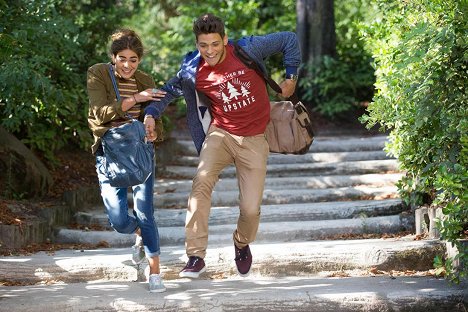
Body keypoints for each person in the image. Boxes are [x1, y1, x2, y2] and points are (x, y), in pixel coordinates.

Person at [144, 13, 301, 278]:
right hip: (221, 134)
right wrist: (150, 112)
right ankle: (195, 256)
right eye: (203, 45)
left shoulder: (247, 49)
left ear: (224, 40)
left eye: (215, 44)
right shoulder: (193, 69)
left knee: (251, 210)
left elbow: (289, 39)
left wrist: (291, 78)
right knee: (201, 182)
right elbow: (168, 91)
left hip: (254, 138)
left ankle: (241, 243)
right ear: (197, 44)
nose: (209, 51)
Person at [87, 28, 167, 292]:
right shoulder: (98, 74)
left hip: (141, 150)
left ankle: (155, 272)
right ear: (113, 57)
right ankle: (140, 235)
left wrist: (153, 129)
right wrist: (135, 99)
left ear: (139, 60)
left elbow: (156, 119)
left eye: (133, 60)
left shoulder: (145, 79)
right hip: (110, 152)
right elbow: (99, 114)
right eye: (122, 58)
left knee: (145, 211)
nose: (128, 65)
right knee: (119, 219)